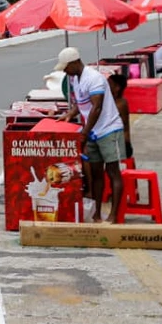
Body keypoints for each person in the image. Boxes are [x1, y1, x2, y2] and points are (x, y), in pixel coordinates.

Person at [56, 46, 125, 224]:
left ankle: (114, 215)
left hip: (108, 129)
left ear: (75, 62)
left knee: (112, 172)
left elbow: (97, 107)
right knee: (96, 173)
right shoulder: (75, 79)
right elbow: (82, 101)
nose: (64, 71)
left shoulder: (94, 79)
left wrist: (84, 133)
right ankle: (96, 213)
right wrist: (71, 114)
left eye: (66, 67)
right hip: (94, 131)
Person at [108, 71, 134, 160]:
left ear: (117, 88)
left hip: (122, 144)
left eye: (109, 84)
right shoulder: (113, 101)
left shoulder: (120, 103)